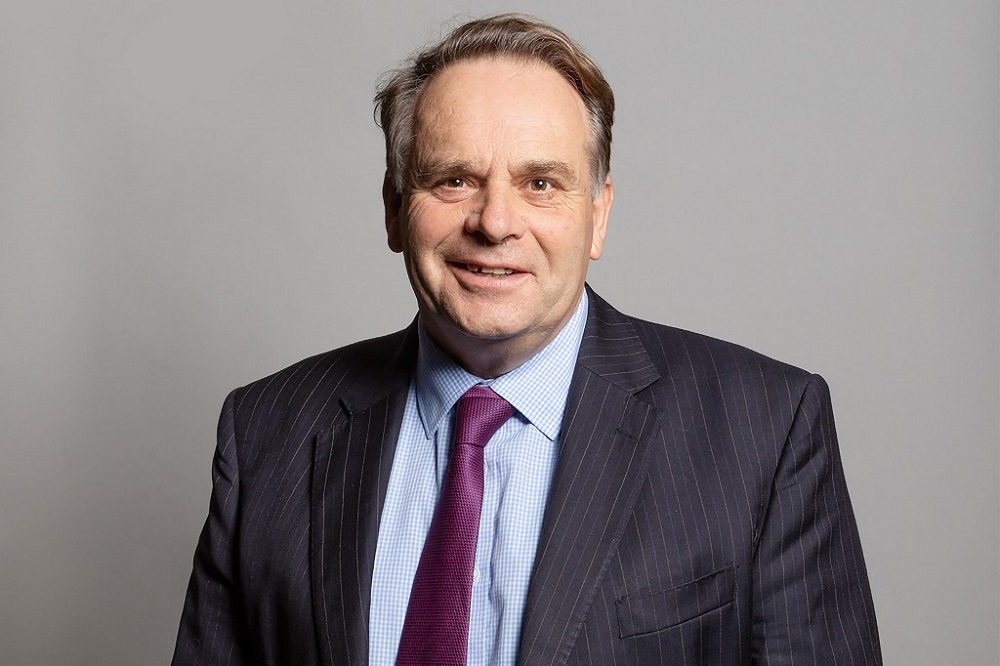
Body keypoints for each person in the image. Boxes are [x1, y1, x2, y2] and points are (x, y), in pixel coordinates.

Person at [173, 13, 881, 665]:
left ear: (599, 215)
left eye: (541, 183)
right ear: (394, 210)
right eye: (454, 180)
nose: (496, 222)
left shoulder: (765, 430)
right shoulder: (267, 431)